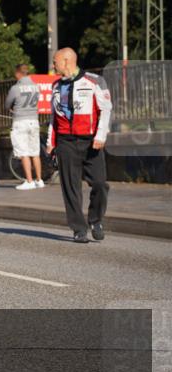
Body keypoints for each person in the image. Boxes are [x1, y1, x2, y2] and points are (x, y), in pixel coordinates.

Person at [45, 48, 112, 244]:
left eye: (55, 62)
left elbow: (106, 109)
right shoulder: (56, 86)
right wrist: (51, 142)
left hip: (91, 141)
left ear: (66, 61)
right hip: (66, 141)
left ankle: (96, 220)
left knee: (100, 183)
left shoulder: (94, 81)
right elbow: (53, 118)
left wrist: (101, 135)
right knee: (70, 187)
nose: (53, 65)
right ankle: (78, 228)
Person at [6, 64, 44, 190]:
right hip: (34, 120)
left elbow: (7, 105)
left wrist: (12, 109)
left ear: (18, 73)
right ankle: (39, 180)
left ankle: (29, 181)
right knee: (35, 152)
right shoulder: (36, 87)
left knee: (24, 152)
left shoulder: (16, 88)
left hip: (20, 122)